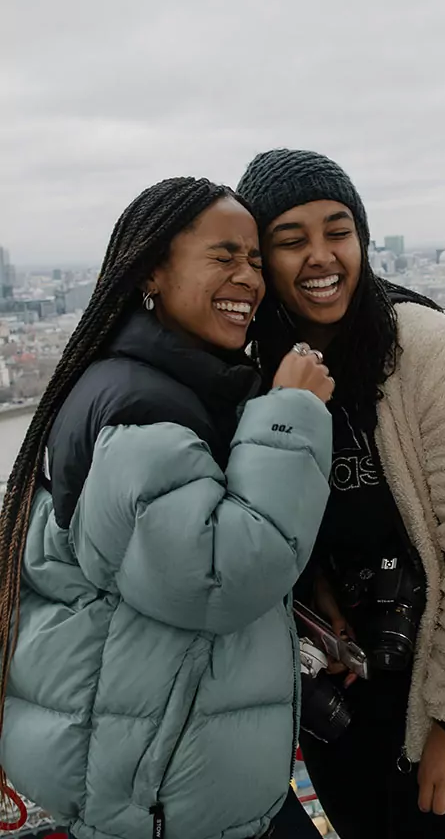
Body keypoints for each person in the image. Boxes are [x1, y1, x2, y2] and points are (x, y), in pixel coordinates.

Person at [0, 178, 335, 839]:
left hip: (161, 769)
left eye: (256, 261)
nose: (250, 278)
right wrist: (293, 411)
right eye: (223, 256)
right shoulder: (141, 412)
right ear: (153, 269)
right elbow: (220, 576)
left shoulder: (154, 382)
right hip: (157, 795)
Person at [236, 151, 445, 838]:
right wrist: (316, 594)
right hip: (347, 701)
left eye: (338, 230)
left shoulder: (426, 351)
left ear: (363, 238)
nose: (322, 256)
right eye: (291, 240)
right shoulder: (263, 372)